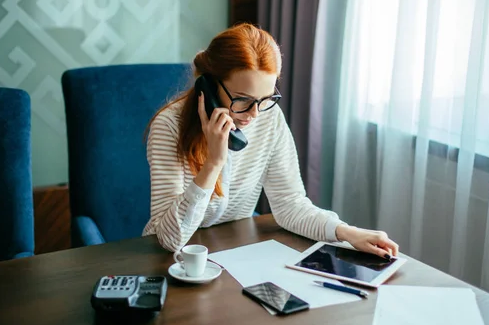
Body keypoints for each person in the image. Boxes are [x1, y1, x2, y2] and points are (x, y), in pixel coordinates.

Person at [142, 23, 399, 258]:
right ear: (208, 87)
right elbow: (169, 238)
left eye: (265, 99)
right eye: (242, 99)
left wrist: (348, 233)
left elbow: (290, 204)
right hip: (167, 261)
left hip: (232, 254)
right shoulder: (168, 126)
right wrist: (214, 162)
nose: (254, 114)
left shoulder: (269, 117)